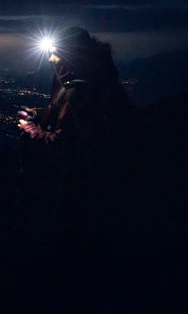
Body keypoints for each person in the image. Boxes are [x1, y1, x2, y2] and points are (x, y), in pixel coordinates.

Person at [17, 27, 133, 211]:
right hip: (107, 187)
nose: (51, 59)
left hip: (81, 195)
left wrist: (28, 127)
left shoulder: (79, 93)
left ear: (73, 55)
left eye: (56, 53)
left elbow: (61, 146)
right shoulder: (100, 81)